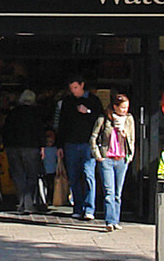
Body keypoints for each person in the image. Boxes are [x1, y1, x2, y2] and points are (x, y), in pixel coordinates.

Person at [53, 78, 106, 222]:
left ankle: (89, 209)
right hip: (70, 143)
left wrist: (87, 112)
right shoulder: (67, 102)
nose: (73, 91)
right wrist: (60, 145)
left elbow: (101, 120)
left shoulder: (93, 100)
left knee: (89, 176)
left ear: (82, 85)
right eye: (71, 88)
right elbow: (62, 124)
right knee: (74, 177)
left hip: (88, 144)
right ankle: (78, 207)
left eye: (76, 88)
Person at [91, 93, 138, 231]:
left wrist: (130, 155)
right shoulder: (104, 118)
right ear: (115, 107)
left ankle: (116, 219)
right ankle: (109, 221)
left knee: (118, 192)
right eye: (122, 107)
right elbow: (94, 137)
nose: (125, 110)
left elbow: (132, 139)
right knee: (109, 191)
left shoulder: (129, 119)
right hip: (107, 158)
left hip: (122, 159)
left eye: (126, 107)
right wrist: (98, 155)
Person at [0, 90, 49, 213]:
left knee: (18, 175)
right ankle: (28, 203)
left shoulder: (13, 113)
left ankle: (22, 202)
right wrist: (42, 146)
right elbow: (40, 131)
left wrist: (5, 145)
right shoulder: (36, 114)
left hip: (13, 147)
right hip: (31, 147)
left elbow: (5, 130)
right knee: (31, 175)